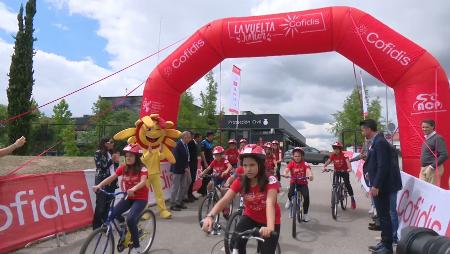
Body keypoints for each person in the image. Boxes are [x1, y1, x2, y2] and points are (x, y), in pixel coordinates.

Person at [202, 144, 281, 254]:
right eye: (245, 165)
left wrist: (270, 227)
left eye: (252, 165)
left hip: (269, 221)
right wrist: (210, 216)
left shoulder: (270, 180)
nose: (248, 169)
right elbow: (225, 199)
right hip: (250, 217)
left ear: (261, 164)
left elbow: (270, 203)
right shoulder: (240, 180)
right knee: (235, 244)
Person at [93, 144, 149, 254]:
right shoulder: (123, 167)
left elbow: (143, 182)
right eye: (127, 156)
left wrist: (134, 188)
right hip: (128, 197)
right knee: (112, 214)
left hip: (140, 198)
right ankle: (125, 230)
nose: (128, 158)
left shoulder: (142, 168)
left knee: (131, 219)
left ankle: (136, 246)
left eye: (131, 156)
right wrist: (99, 185)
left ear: (137, 157)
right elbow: (111, 177)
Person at [361, 119, 402, 254]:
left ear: (368, 129)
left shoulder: (380, 142)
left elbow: (383, 166)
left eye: (363, 130)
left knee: (385, 216)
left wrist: (376, 184)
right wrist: (369, 174)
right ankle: (384, 242)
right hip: (380, 184)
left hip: (383, 186)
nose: (362, 133)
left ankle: (387, 247)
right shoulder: (377, 141)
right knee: (383, 216)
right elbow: (376, 163)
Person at [323, 141, 357, 210]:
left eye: (337, 149)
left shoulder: (344, 155)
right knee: (334, 184)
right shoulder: (333, 155)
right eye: (334, 149)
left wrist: (349, 168)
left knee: (347, 184)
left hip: (344, 171)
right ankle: (335, 195)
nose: (336, 150)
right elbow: (329, 161)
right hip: (337, 172)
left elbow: (347, 162)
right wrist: (324, 166)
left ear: (340, 149)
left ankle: (352, 198)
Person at [92, 138, 116, 230]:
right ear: (105, 143)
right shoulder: (98, 153)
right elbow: (101, 166)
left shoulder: (110, 153)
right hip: (101, 180)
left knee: (108, 205)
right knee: (100, 205)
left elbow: (114, 168)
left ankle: (105, 224)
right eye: (111, 142)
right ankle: (96, 226)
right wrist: (111, 161)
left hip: (111, 181)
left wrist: (116, 162)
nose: (112, 144)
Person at [284, 147, 314, 222]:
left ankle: (305, 214)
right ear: (293, 156)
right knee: (290, 193)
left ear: (302, 156)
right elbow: (286, 170)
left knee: (306, 197)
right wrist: (285, 174)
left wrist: (310, 175)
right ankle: (289, 200)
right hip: (294, 182)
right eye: (295, 156)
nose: (297, 158)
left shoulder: (304, 163)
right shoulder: (291, 163)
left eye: (299, 156)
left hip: (303, 183)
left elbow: (308, 170)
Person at [420, 119, 448, 186]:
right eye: (423, 127)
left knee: (431, 192)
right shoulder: (427, 138)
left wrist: (431, 167)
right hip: (424, 168)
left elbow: (444, 155)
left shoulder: (437, 138)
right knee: (423, 190)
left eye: (427, 127)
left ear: (432, 127)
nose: (424, 129)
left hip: (433, 169)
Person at [170, 131, 192, 211]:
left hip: (184, 168)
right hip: (177, 168)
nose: (190, 139)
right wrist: (185, 167)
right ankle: (172, 204)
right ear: (184, 137)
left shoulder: (185, 145)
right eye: (189, 137)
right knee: (175, 187)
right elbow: (176, 158)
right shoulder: (178, 145)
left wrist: (186, 167)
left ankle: (179, 202)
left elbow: (185, 157)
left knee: (183, 186)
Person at [198, 132, 215, 196]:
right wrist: (205, 162)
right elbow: (202, 153)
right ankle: (203, 191)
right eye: (212, 136)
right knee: (206, 176)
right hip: (206, 162)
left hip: (211, 161)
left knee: (209, 177)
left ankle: (203, 189)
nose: (213, 137)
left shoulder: (210, 142)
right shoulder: (203, 142)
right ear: (209, 136)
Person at [186, 132, 200, 201]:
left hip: (194, 163)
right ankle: (189, 195)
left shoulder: (194, 143)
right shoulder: (191, 142)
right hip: (191, 164)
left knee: (193, 179)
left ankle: (190, 194)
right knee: (191, 180)